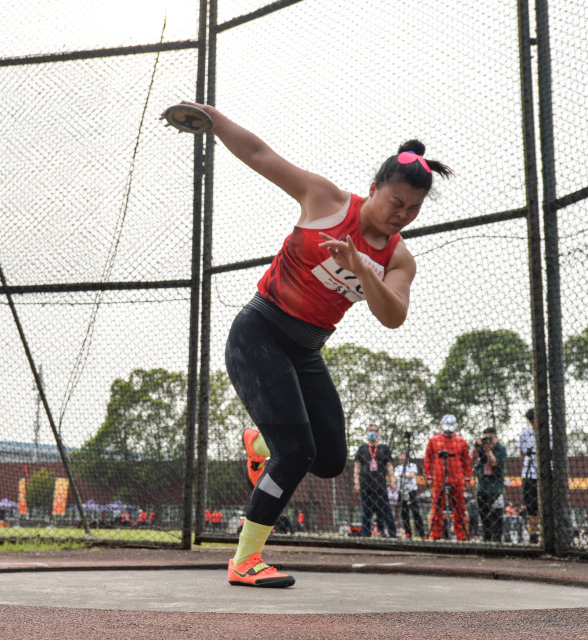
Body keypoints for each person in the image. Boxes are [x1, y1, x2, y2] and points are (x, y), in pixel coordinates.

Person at [168, 102, 452, 587]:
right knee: (296, 452)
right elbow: (260, 154)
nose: (401, 215)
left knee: (330, 460)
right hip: (259, 333)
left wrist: (364, 267)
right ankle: (245, 559)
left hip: (304, 351)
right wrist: (213, 119)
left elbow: (393, 317)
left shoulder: (399, 259)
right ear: (373, 191)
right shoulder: (327, 201)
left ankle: (260, 442)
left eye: (413, 209)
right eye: (394, 203)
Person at [424, 415, 472, 541]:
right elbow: (428, 459)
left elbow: (466, 460)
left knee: (459, 508)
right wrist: (428, 475)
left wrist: (467, 478)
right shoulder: (434, 440)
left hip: (457, 478)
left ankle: (461, 535)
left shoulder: (461, 441)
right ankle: (435, 535)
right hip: (439, 477)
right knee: (436, 507)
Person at [353, 424, 397, 538]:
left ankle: (393, 534)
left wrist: (393, 480)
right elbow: (357, 466)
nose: (373, 432)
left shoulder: (384, 448)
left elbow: (389, 465)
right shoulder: (362, 449)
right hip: (365, 485)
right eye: (370, 430)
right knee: (366, 512)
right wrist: (356, 482)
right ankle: (365, 535)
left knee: (386, 511)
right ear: (366, 432)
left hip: (380, 486)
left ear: (379, 433)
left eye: (375, 430)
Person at [472, 427, 507, 543]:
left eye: (490, 439)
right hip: (482, 486)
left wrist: (487, 450)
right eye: (485, 438)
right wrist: (477, 446)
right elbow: (472, 458)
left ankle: (497, 541)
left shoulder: (501, 449)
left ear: (495, 438)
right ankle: (486, 540)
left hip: (496, 487)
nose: (488, 441)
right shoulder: (482, 448)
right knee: (484, 515)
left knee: (497, 517)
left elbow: (494, 462)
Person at [518, 408, 540, 544]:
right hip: (529, 473)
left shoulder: (549, 432)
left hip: (545, 473)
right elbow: (522, 454)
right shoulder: (524, 434)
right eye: (531, 421)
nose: (533, 423)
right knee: (531, 506)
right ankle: (533, 533)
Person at [394, 449, 426, 539]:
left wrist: (402, 475)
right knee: (404, 513)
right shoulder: (397, 468)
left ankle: (421, 533)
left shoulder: (412, 466)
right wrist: (404, 475)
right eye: (401, 455)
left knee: (416, 513)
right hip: (402, 492)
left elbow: (411, 475)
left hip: (411, 491)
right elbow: (396, 477)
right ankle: (408, 533)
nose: (402, 457)